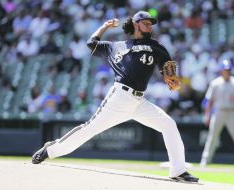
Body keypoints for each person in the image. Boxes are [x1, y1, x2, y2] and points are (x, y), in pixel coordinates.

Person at [32, 11, 198, 183]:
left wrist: (170, 78)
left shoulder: (155, 46)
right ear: (136, 24)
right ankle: (50, 150)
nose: (150, 26)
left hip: (140, 102)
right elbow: (91, 43)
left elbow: (166, 64)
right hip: (119, 97)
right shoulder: (115, 46)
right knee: (90, 129)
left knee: (169, 124)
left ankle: (178, 171)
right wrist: (104, 26)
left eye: (151, 23)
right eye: (146, 23)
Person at [200, 60, 234, 166]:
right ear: (221, 71)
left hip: (231, 112)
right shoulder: (215, 83)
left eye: (228, 70)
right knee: (212, 137)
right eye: (225, 70)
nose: (227, 72)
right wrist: (207, 115)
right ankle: (205, 160)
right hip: (218, 112)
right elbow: (210, 101)